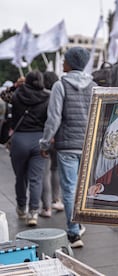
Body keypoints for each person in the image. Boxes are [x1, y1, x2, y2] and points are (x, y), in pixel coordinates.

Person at [39, 46, 95, 248]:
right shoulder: (94, 86)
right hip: (88, 145)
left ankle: (73, 233)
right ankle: (79, 225)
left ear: (70, 63)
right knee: (83, 188)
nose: (62, 62)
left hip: (67, 146)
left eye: (64, 59)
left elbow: (53, 119)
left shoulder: (60, 85)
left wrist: (45, 143)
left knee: (70, 189)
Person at [9, 71, 50, 226]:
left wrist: (15, 85)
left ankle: (21, 207)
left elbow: (3, 96)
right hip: (39, 139)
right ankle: (33, 212)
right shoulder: (48, 96)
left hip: (19, 139)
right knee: (36, 179)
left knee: (20, 177)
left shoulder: (17, 94)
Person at [39, 71, 63, 218]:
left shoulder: (42, 96)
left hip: (45, 137)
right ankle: (57, 199)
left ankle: (46, 208)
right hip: (59, 138)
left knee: (45, 173)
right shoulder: (58, 95)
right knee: (56, 170)